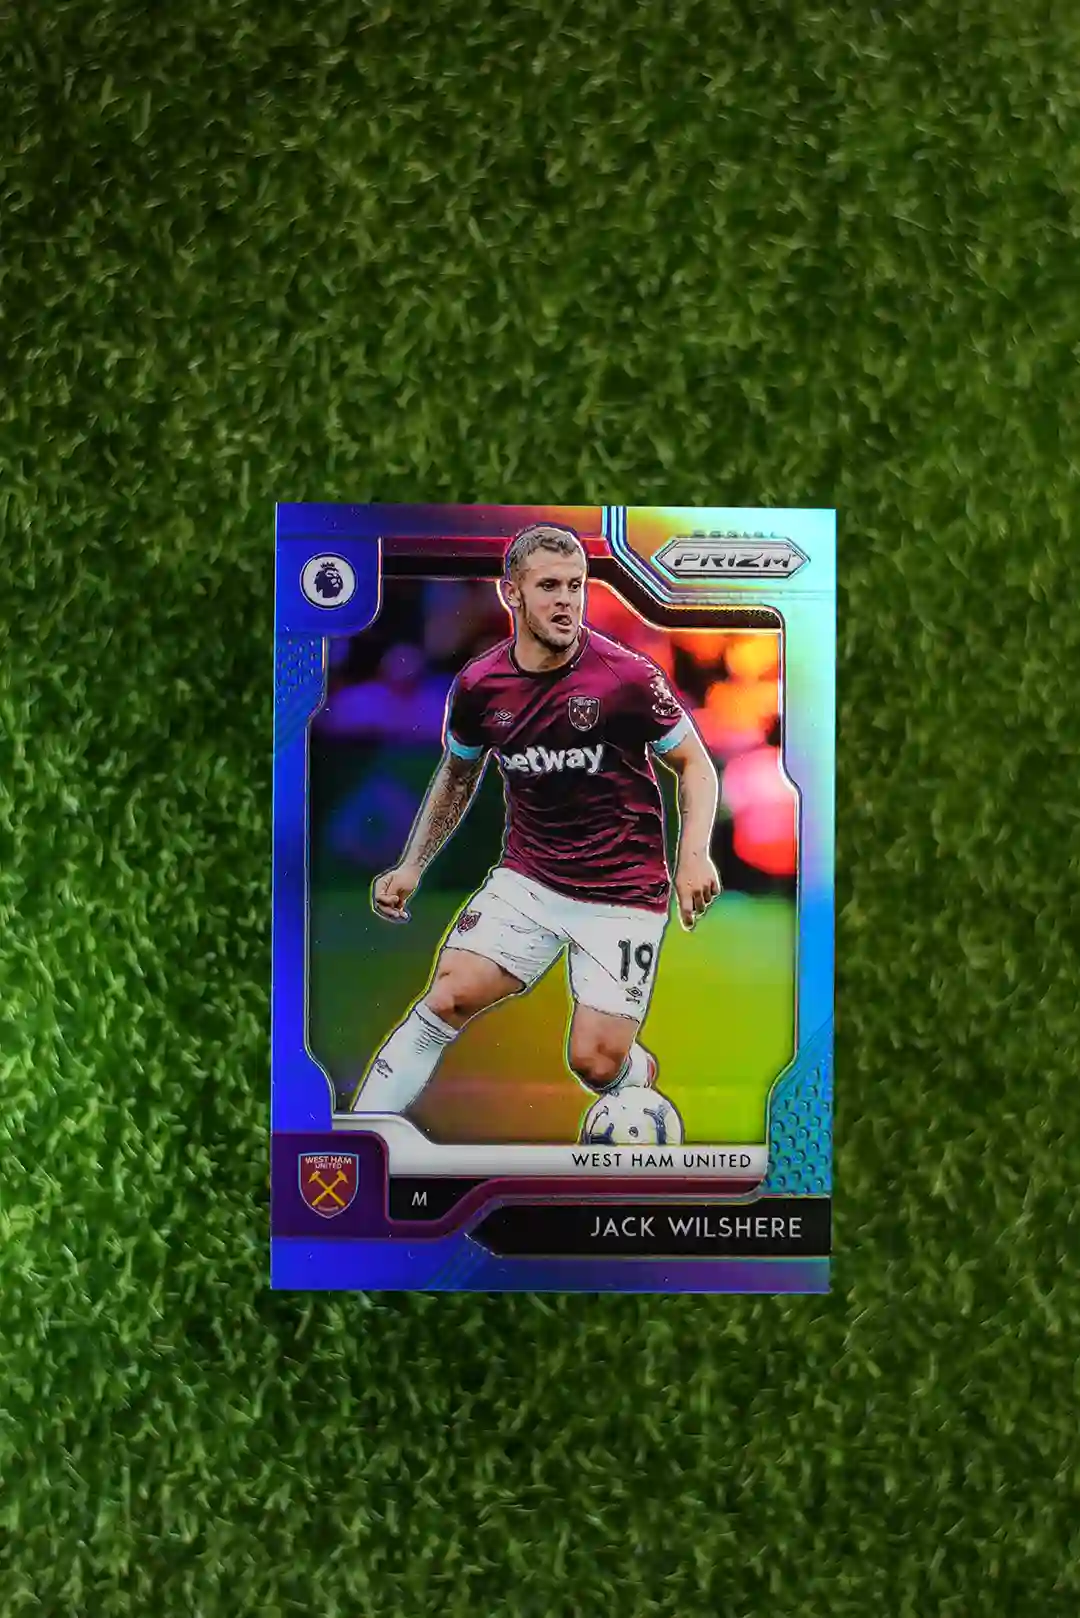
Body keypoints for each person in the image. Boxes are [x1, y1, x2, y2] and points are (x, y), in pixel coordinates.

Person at [347, 521, 721, 1120]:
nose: (566, 601)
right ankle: (363, 1133)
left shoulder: (627, 677)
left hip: (622, 890)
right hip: (530, 877)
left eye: (576, 585)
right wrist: (411, 865)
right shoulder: (479, 686)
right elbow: (457, 774)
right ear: (512, 593)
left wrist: (694, 855)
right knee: (448, 995)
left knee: (594, 1063)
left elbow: (695, 765)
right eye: (549, 586)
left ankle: (634, 1073)